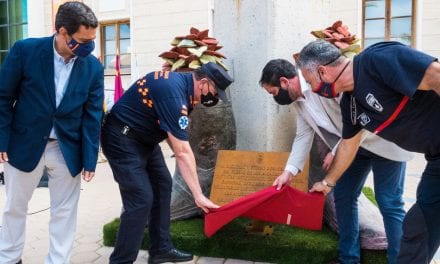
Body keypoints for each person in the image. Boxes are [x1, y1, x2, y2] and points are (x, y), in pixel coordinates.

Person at [298, 39, 440, 263]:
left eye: (310, 80)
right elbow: (348, 145)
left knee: (410, 217)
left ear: (323, 71)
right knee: (420, 225)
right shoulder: (350, 103)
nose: (313, 89)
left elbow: (436, 76)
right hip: (436, 158)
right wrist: (327, 184)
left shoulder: (376, 60)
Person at [260, 59, 413, 264]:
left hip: (382, 141)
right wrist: (288, 172)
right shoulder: (299, 102)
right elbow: (303, 137)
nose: (274, 99)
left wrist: (335, 150)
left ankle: (399, 261)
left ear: (284, 82)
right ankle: (349, 259)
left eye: (273, 93)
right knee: (343, 195)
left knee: (389, 201)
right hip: (353, 148)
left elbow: (359, 117)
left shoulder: (322, 83)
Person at [0, 2, 103, 263]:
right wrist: (2, 139)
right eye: (83, 40)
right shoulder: (26, 51)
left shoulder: (92, 67)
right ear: (61, 31)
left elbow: (93, 115)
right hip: (23, 143)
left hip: (66, 148)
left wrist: (90, 157)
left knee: (64, 213)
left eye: (92, 39)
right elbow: (3, 97)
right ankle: (9, 258)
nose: (89, 46)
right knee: (14, 209)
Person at [101, 62, 232, 264]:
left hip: (146, 140)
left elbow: (175, 137)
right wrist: (198, 195)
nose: (214, 98)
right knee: (141, 199)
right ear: (204, 82)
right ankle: (121, 261)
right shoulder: (173, 94)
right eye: (215, 92)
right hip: (122, 138)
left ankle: (160, 249)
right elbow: (183, 151)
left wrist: (181, 154)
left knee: (163, 185)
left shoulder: (183, 89)